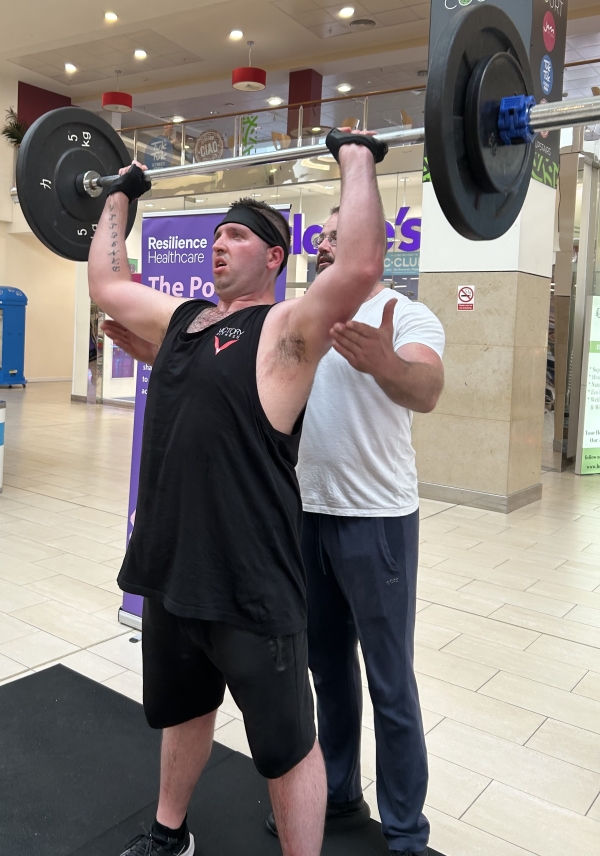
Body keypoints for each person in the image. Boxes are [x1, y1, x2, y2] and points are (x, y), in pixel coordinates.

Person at [88, 127, 389, 856]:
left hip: (251, 579)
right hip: (172, 566)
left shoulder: (287, 328)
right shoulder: (184, 319)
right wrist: (120, 195)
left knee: (286, 745)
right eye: (215, 235)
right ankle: (169, 834)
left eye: (236, 236)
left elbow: (354, 266)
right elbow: (106, 283)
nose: (218, 245)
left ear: (275, 256)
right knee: (183, 710)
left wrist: (356, 157)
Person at [285, 206, 445, 856]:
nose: (323, 246)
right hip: (308, 517)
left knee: (390, 679)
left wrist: (385, 363)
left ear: (370, 248)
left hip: (377, 522)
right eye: (319, 238)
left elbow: (427, 388)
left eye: (335, 236)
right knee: (327, 668)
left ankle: (406, 833)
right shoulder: (304, 318)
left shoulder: (405, 316)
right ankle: (341, 791)